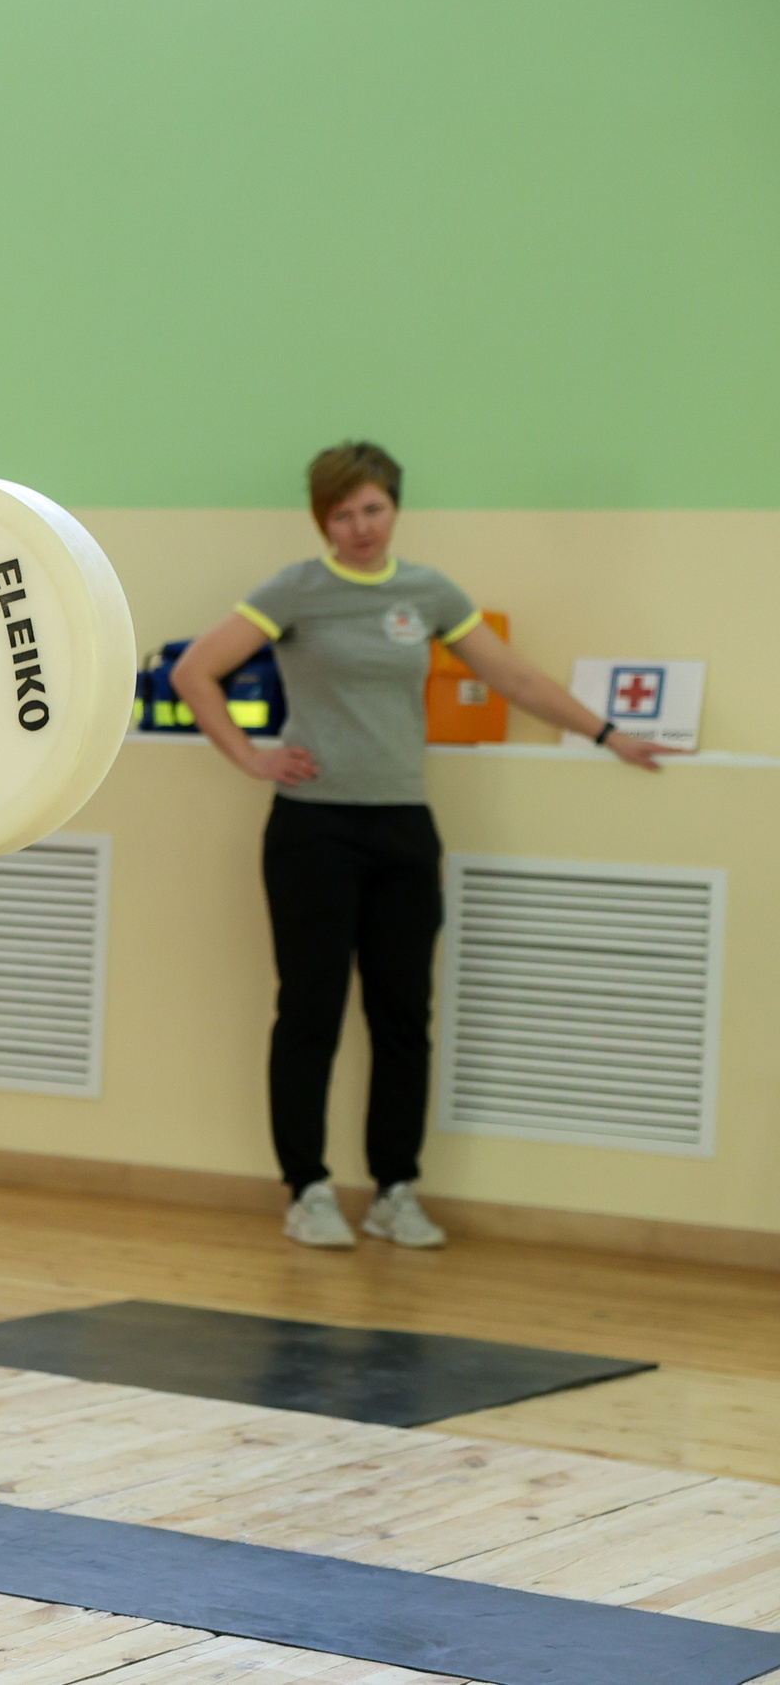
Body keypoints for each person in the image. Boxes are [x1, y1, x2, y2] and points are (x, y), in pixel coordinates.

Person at [172, 441, 668, 1252]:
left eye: (372, 509)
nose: (360, 526)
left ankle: (395, 1188)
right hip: (314, 830)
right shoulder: (296, 590)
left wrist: (609, 732)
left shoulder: (427, 592)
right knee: (311, 1011)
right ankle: (308, 1189)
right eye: (342, 513)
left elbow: (516, 678)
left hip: (402, 827)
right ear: (322, 521)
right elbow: (197, 671)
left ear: (394, 508)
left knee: (404, 1014)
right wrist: (251, 754)